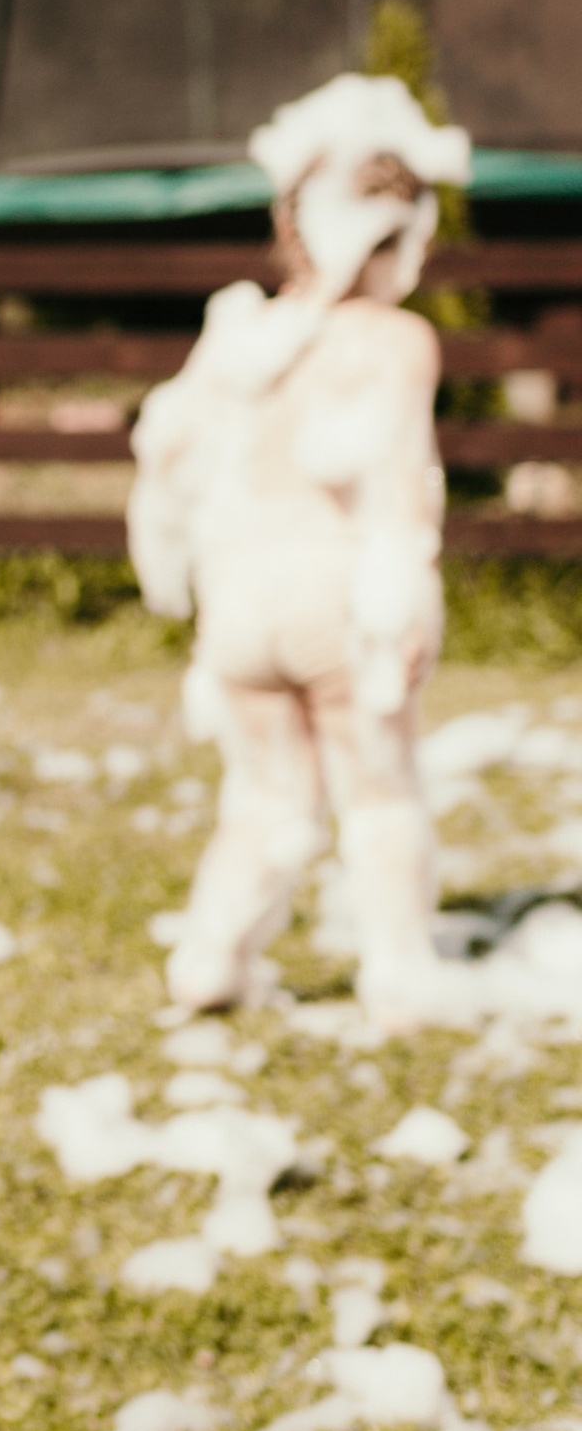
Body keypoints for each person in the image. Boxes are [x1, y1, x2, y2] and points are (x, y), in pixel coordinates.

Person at [129, 72, 468, 1033]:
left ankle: (212, 960)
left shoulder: (242, 335)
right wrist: (401, 600)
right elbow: (401, 482)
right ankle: (399, 973)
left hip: (239, 604)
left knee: (269, 798)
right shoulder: (395, 341)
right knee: (379, 789)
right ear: (393, 239)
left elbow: (174, 462)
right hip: (336, 596)